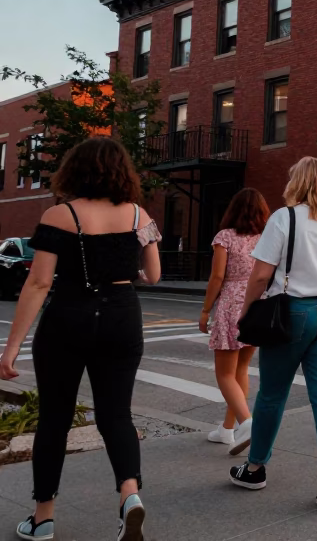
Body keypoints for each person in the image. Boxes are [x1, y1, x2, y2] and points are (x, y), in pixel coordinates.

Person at [0, 137, 162, 541]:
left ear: (76, 170)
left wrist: (12, 346)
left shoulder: (59, 215)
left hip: (68, 316)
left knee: (54, 418)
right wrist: (127, 272)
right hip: (122, 316)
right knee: (117, 414)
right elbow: (155, 275)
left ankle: (43, 518)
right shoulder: (140, 216)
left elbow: (39, 282)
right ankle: (129, 494)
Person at [229, 157, 317, 507]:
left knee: (272, 394)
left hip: (293, 312)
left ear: (296, 183)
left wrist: (246, 313)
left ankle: (255, 468)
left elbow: (260, 275)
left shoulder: (284, 218)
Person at [200, 188, 270, 453]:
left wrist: (205, 310)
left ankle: (246, 423)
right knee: (241, 369)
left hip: (231, 304)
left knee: (224, 373)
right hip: (256, 304)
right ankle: (227, 429)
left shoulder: (225, 237)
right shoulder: (265, 238)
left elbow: (217, 277)